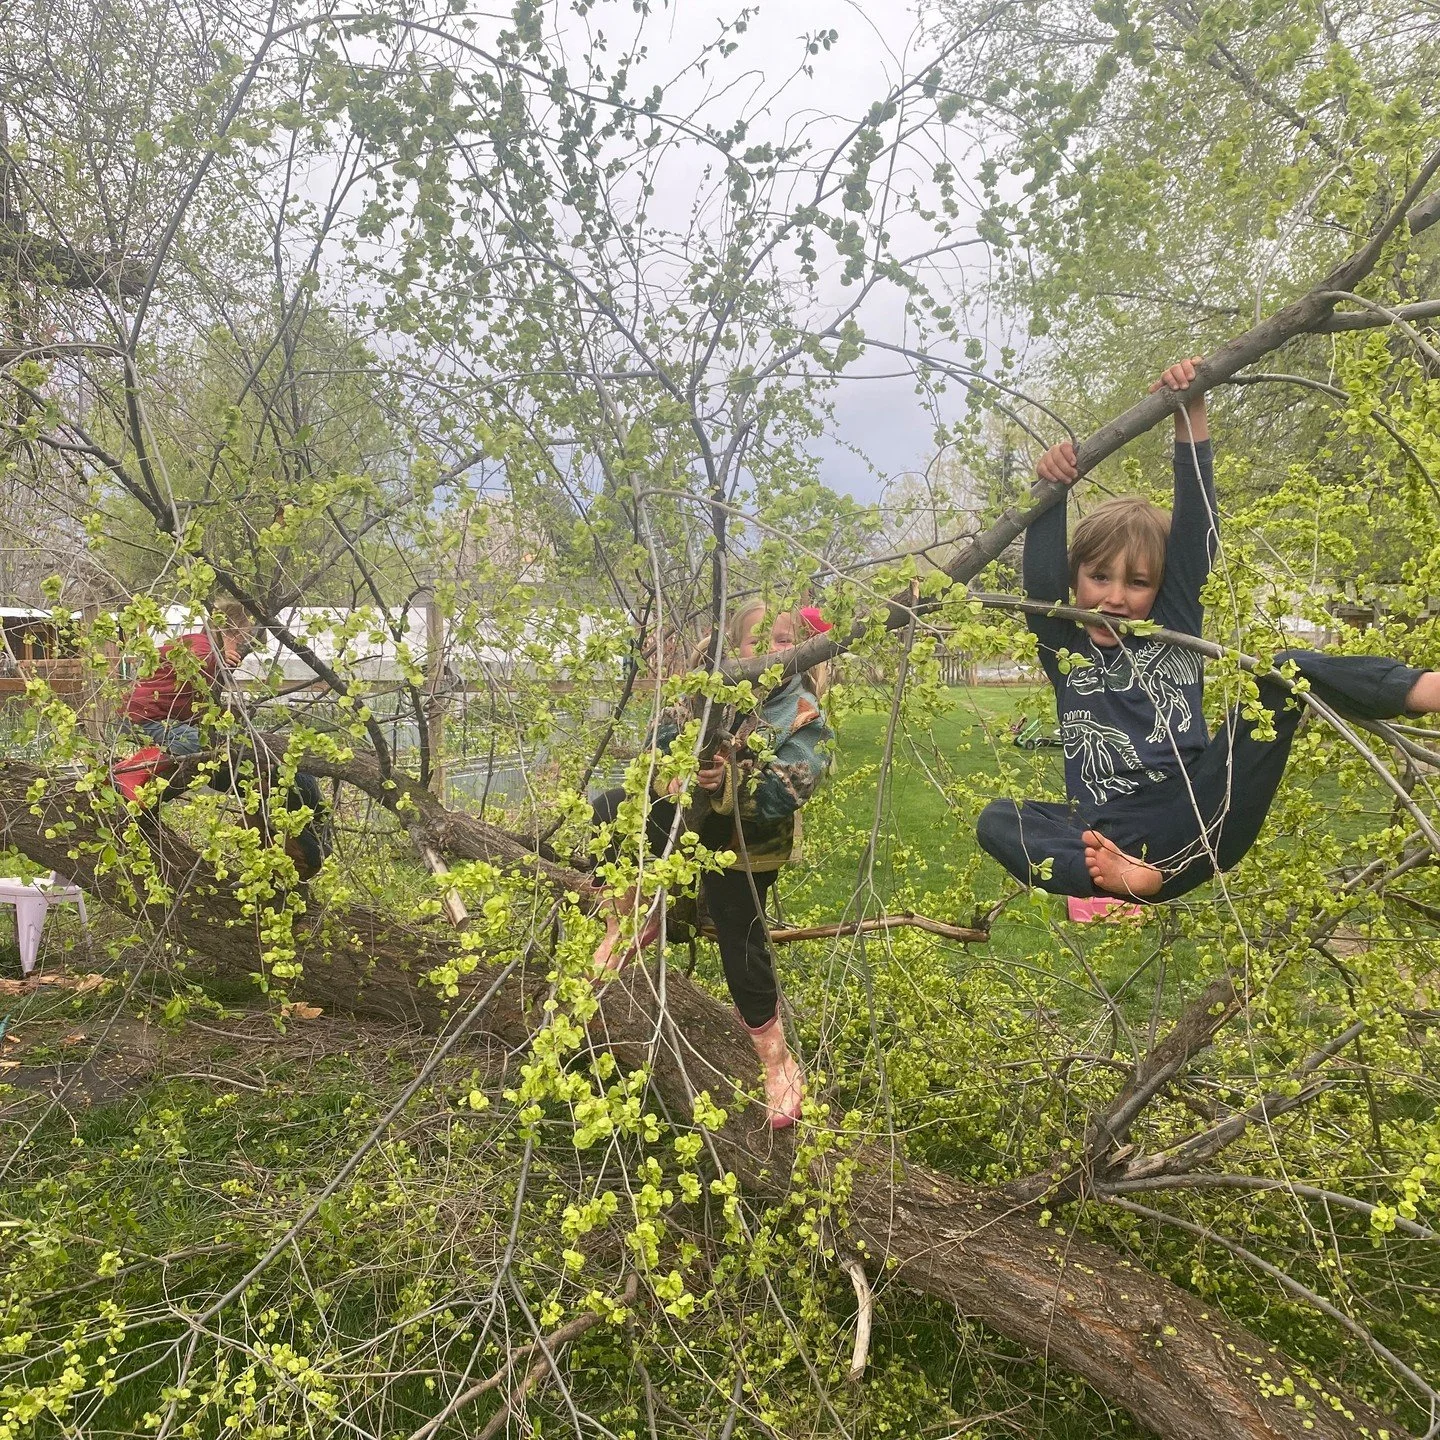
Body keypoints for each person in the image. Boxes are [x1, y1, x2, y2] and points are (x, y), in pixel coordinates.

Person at [976, 356, 1440, 903]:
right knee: (999, 820)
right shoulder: (1063, 647)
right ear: (1076, 580)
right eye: (1099, 577)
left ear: (1161, 590)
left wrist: (1189, 408)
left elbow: (1197, 529)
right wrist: (1049, 491)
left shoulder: (1170, 628)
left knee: (1284, 669)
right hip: (1105, 834)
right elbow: (1041, 591)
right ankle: (1132, 881)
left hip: (1199, 810)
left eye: (1138, 583)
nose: (1116, 598)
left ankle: (1417, 688)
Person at [590, 600, 832, 1128]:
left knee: (737, 928)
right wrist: (672, 772)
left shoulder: (801, 709)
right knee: (610, 810)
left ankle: (777, 1060)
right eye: (757, 640)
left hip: (747, 845)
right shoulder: (702, 693)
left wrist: (730, 781)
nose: (771, 650)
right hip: (685, 825)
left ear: (806, 649)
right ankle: (629, 919)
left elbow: (798, 780)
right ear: (731, 648)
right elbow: (654, 744)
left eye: (785, 639)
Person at [118, 601, 329, 880]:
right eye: (241, 641)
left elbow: (198, 700)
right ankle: (131, 770)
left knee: (220, 746)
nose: (241, 650)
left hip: (165, 718)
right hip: (148, 718)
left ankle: (269, 823)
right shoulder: (200, 647)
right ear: (229, 632)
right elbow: (194, 662)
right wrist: (218, 658)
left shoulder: (203, 649)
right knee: (196, 746)